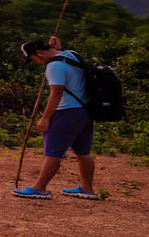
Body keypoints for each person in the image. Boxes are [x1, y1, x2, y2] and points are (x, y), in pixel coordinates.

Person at [13, 35, 98, 200]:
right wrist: (58, 48)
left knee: (53, 151)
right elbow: (63, 58)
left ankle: (40, 188)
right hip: (85, 111)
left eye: (34, 58)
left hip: (66, 112)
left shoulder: (54, 66)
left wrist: (45, 118)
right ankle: (87, 188)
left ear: (39, 52)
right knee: (83, 152)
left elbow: (57, 92)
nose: (37, 62)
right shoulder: (71, 54)